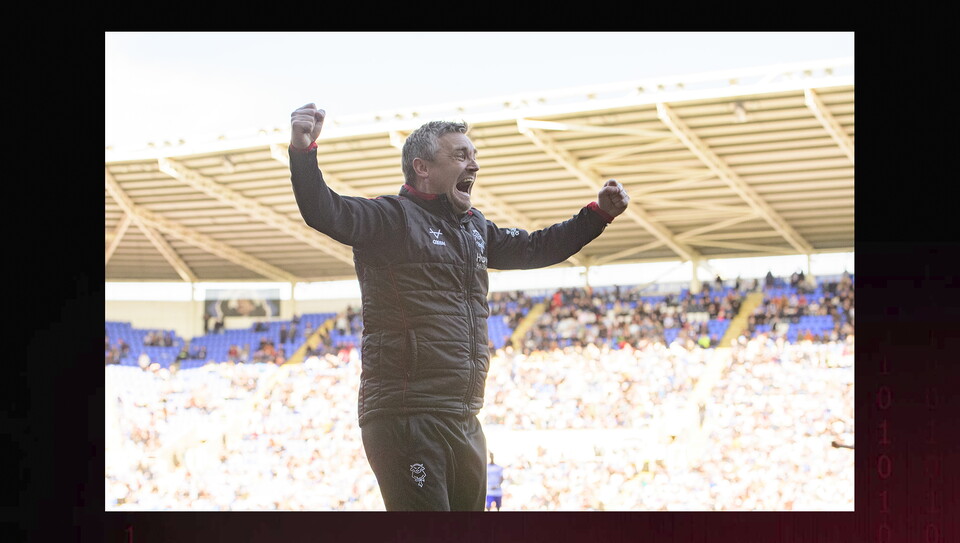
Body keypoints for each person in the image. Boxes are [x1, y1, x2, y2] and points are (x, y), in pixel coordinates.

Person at [287, 103, 629, 511]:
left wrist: (597, 216)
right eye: (460, 155)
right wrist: (303, 153)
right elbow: (326, 210)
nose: (474, 165)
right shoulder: (392, 217)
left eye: (475, 155)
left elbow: (536, 247)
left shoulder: (474, 228)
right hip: (407, 414)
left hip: (465, 416)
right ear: (423, 167)